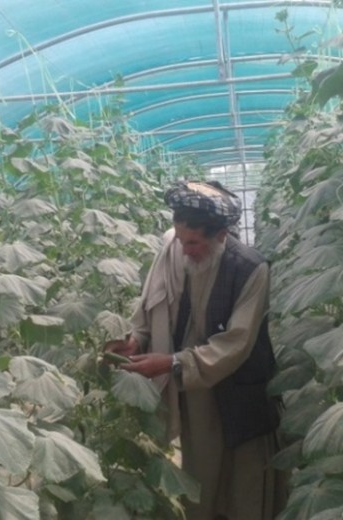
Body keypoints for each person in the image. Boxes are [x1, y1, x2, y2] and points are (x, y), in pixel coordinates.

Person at [106, 180, 285, 520]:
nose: (185, 249)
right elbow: (151, 308)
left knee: (245, 478)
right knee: (201, 471)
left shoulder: (250, 267)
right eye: (181, 238)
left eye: (195, 242)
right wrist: (135, 340)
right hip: (194, 386)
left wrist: (172, 362)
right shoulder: (173, 249)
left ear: (221, 236)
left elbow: (237, 341)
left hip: (239, 381)